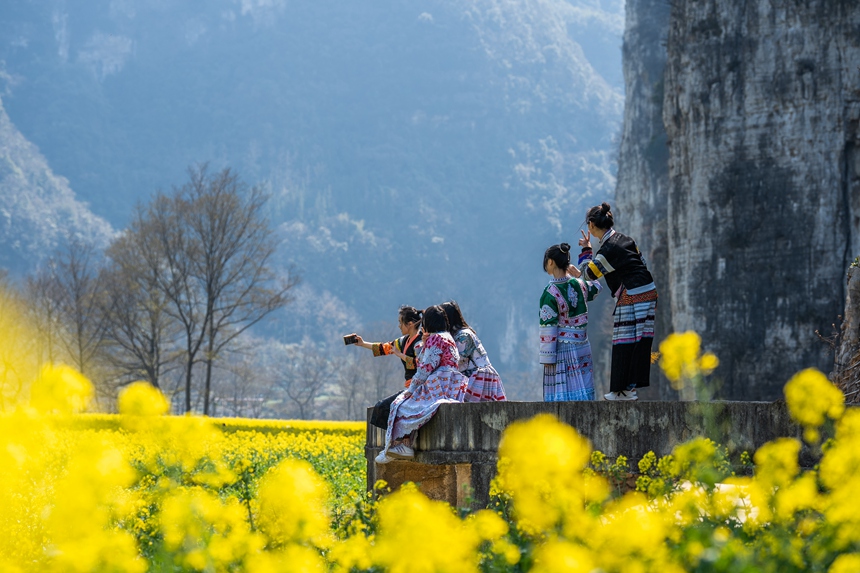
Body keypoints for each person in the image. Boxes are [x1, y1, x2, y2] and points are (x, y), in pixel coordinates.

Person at [576, 202, 657, 401]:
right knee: (638, 341)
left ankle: (622, 391)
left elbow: (588, 275)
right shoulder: (625, 239)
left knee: (624, 339)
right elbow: (641, 263)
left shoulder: (608, 248)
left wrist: (586, 251)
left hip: (633, 293)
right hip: (647, 290)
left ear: (592, 225)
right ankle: (628, 390)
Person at [376, 305, 466, 463]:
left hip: (438, 384)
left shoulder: (436, 338)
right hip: (452, 385)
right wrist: (424, 344)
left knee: (402, 404)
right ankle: (400, 446)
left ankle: (402, 446)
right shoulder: (448, 337)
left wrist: (411, 389)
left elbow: (425, 368)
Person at [540, 243, 602, 401]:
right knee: (584, 387)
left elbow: (549, 328)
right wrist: (585, 258)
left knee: (563, 393)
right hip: (582, 345)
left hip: (562, 349)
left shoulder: (550, 293)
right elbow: (596, 286)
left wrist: (547, 357)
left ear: (551, 262)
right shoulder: (580, 284)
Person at [352, 306, 423, 429]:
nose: (399, 326)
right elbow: (384, 348)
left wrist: (400, 355)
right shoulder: (403, 341)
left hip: (419, 387)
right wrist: (363, 344)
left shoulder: (421, 342)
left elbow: (420, 363)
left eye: (401, 323)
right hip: (409, 386)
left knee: (384, 407)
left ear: (410, 324)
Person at [440, 301, 506, 402]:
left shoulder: (463, 336)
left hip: (478, 377)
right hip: (472, 375)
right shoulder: (457, 334)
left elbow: (457, 361)